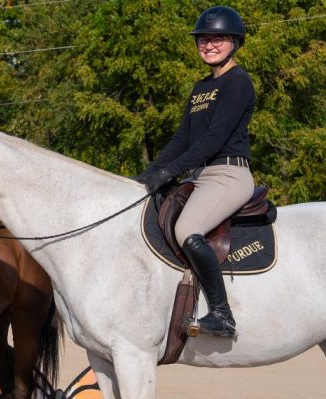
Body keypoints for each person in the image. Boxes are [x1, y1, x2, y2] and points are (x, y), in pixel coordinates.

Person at [132, 6, 256, 338]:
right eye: (203, 39)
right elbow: (183, 138)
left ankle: (222, 314)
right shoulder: (202, 87)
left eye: (217, 38)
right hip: (201, 176)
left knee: (187, 228)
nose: (209, 44)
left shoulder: (238, 82)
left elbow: (215, 138)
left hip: (229, 174)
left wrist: (172, 170)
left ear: (234, 42)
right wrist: (150, 174)